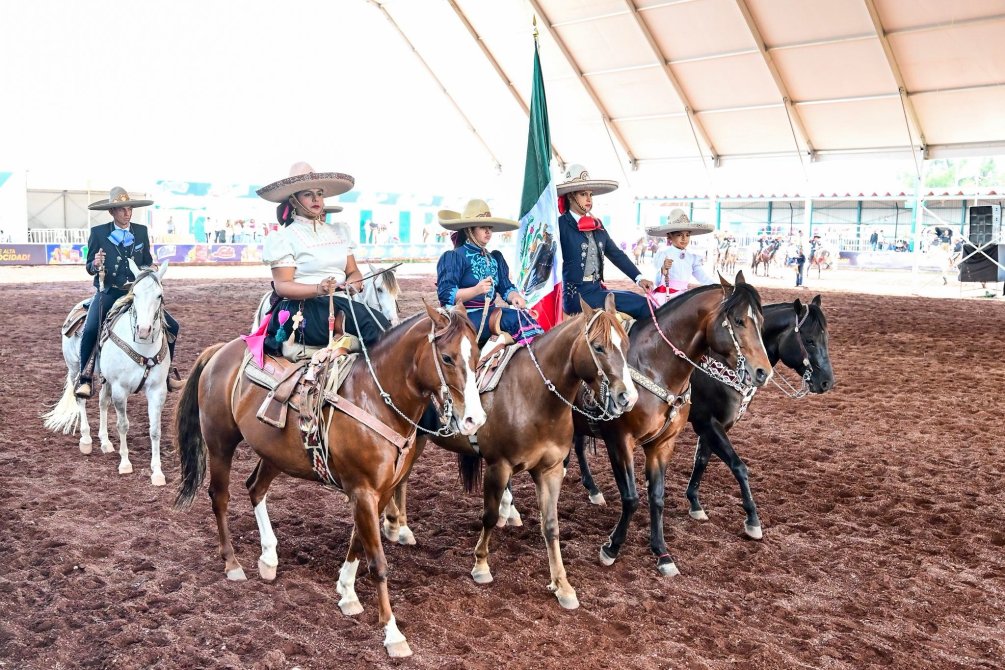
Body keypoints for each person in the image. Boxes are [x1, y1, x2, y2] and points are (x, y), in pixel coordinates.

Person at [256, 162, 389, 352]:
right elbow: (282, 285)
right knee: (375, 325)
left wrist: (353, 283)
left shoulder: (339, 232)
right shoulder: (283, 238)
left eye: (319, 193)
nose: (316, 198)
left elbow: (353, 271)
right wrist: (320, 288)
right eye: (308, 194)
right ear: (294, 201)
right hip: (303, 309)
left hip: (341, 302)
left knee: (381, 322)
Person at [75, 187, 184, 398]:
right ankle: (85, 377)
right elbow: (89, 266)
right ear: (112, 212)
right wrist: (95, 264)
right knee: (90, 330)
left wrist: (150, 269)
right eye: (122, 210)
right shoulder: (99, 233)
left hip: (137, 294)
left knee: (172, 326)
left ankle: (167, 373)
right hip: (110, 291)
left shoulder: (141, 231)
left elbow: (145, 261)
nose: (127, 213)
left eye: (130, 209)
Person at [435, 199, 543, 346]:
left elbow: (505, 287)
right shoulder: (454, 257)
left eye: (490, 227)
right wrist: (476, 290)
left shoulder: (495, 258)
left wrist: (515, 296)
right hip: (463, 317)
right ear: (469, 229)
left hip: (489, 315)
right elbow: (446, 294)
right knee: (515, 319)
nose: (488, 232)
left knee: (524, 316)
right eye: (482, 227)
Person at [556, 164, 654, 318]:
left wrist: (639, 278)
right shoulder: (560, 225)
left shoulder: (597, 224)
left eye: (590, 194)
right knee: (641, 305)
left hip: (597, 290)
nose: (589, 199)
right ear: (570, 196)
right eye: (583, 194)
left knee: (643, 302)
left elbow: (616, 254)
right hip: (576, 297)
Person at [646, 208, 716, 302]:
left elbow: (701, 276)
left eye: (687, 235)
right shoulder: (664, 254)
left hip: (684, 296)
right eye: (679, 235)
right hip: (666, 295)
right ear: (669, 236)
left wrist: (716, 286)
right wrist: (663, 269)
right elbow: (657, 281)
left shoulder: (692, 257)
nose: (684, 239)